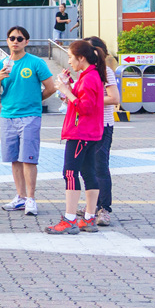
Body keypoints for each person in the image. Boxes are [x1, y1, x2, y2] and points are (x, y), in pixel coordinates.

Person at [0, 26, 57, 216]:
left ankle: (31, 198)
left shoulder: (36, 63)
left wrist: (35, 100)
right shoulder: (0, 65)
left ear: (26, 42)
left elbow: (51, 87)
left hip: (30, 116)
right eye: (12, 38)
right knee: (14, 159)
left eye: (20, 38)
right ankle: (20, 197)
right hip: (8, 116)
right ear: (7, 41)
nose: (15, 41)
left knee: (28, 158)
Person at [45, 40, 106, 235]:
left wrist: (65, 91)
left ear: (81, 58)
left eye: (71, 57)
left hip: (80, 133)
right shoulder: (91, 75)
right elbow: (82, 99)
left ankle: (70, 219)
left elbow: (84, 107)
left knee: (70, 173)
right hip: (90, 133)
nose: (69, 61)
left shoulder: (89, 78)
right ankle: (88, 218)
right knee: (89, 173)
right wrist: (69, 85)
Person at [84, 36, 120, 226]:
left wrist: (88, 100)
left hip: (102, 125)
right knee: (88, 167)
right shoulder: (86, 71)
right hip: (86, 126)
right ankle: (92, 206)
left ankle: (104, 208)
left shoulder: (105, 71)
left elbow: (114, 98)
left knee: (100, 166)